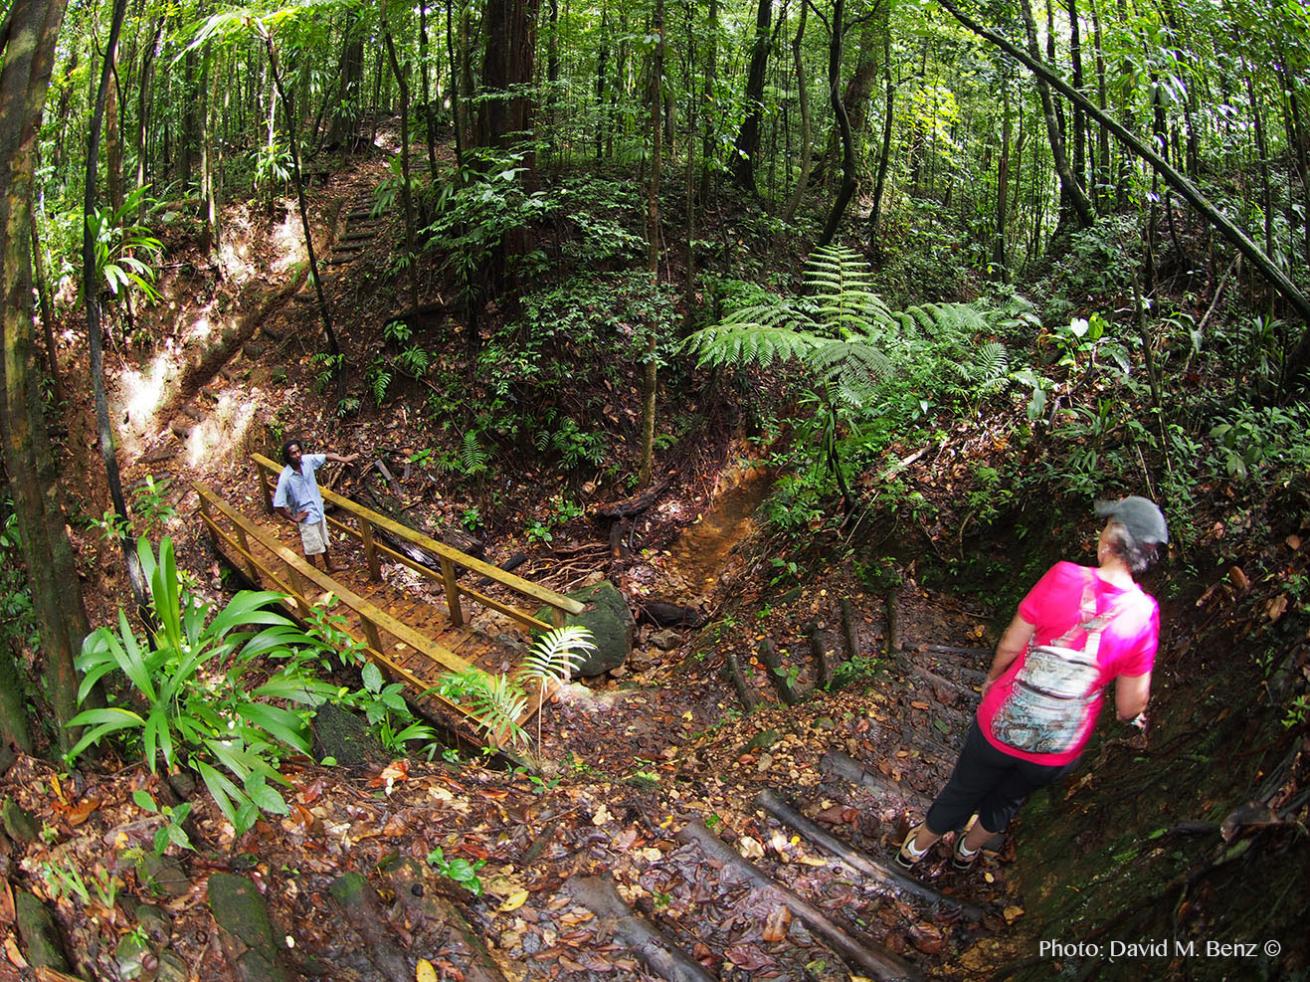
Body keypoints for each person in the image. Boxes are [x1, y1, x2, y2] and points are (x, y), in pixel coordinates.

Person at [897, 495, 1167, 870]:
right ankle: (967, 852)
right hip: (1055, 748)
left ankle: (914, 850)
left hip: (1002, 723)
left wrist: (992, 679)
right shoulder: (1144, 616)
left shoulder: (1065, 576)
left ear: (1109, 541)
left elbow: (1011, 642)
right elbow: (1129, 707)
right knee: (1007, 800)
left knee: (964, 789)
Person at [272, 439, 358, 572]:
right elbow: (278, 505)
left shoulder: (307, 461)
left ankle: (329, 566)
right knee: (310, 546)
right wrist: (293, 518)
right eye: (293, 453)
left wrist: (344, 459)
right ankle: (313, 574)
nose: (297, 455)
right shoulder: (286, 478)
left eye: (298, 451)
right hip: (305, 516)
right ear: (288, 457)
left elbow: (326, 457)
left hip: (318, 509)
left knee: (323, 539)